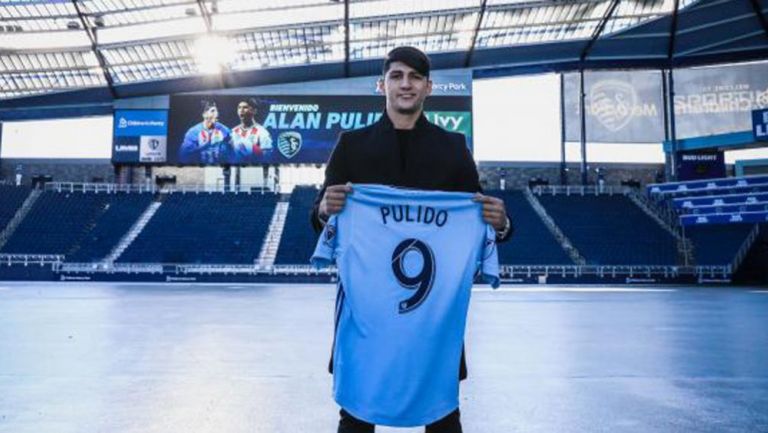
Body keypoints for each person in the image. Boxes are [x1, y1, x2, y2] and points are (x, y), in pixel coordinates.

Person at [311, 46, 513, 433]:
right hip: (367, 311)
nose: (406, 84)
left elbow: (477, 213)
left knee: (442, 417)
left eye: (415, 77)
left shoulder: (453, 147)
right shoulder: (351, 145)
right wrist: (324, 209)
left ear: (428, 87)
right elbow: (322, 218)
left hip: (433, 318)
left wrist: (501, 223)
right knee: (356, 417)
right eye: (397, 76)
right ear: (382, 84)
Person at [230, 98, 273, 163]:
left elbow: (267, 157)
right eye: (239, 108)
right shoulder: (233, 132)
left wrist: (253, 151)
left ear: (254, 111)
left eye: (245, 107)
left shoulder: (262, 132)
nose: (241, 110)